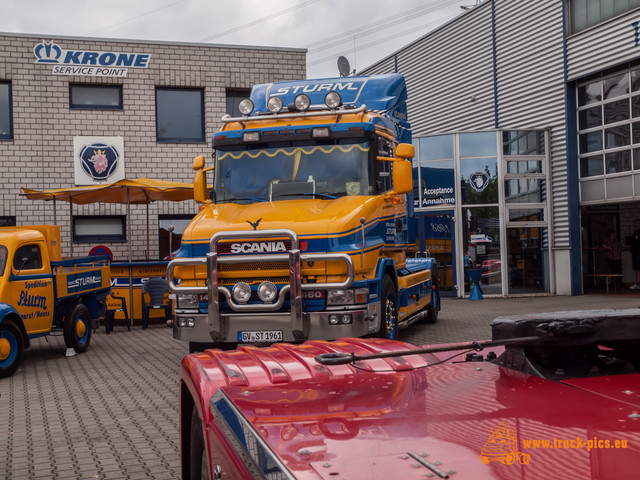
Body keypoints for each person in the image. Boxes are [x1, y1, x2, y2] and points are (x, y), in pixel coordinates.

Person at [629, 220, 640, 289]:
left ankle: (638, 283)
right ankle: (637, 283)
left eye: (636, 222)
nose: (634, 224)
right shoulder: (635, 232)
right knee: (637, 268)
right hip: (635, 253)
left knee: (639, 268)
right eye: (634, 222)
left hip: (639, 253)